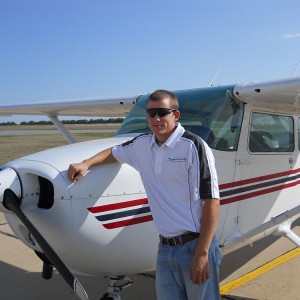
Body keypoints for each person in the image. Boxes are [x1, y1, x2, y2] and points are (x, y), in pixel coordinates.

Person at [68, 89, 222, 300]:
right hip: (165, 249)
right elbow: (113, 152)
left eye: (162, 112)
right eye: (151, 113)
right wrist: (86, 163)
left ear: (175, 115)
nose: (156, 118)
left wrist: (202, 253)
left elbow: (212, 201)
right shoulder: (143, 144)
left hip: (195, 246)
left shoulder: (193, 146)